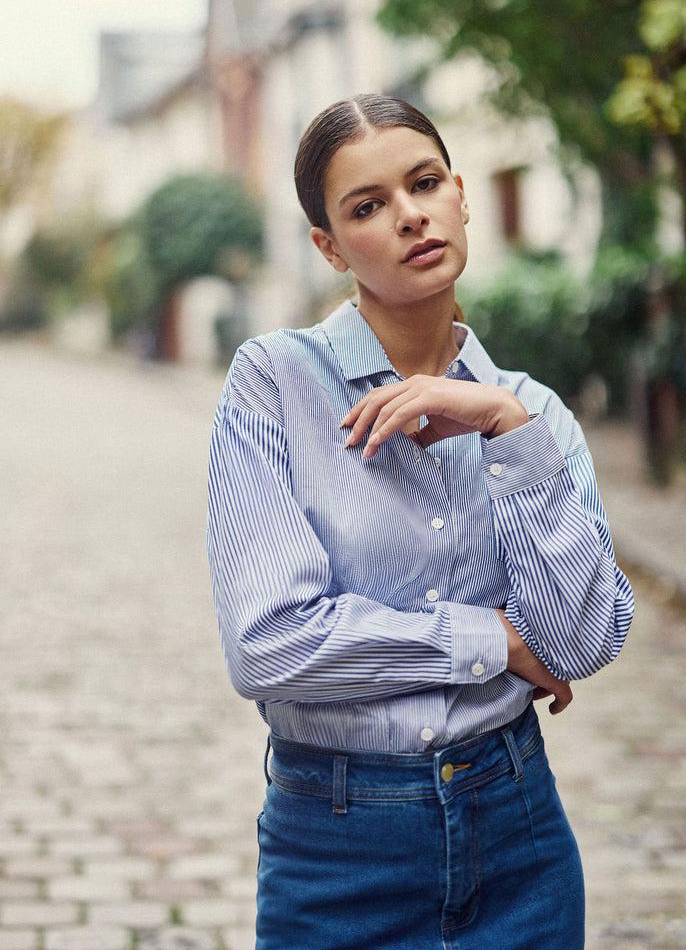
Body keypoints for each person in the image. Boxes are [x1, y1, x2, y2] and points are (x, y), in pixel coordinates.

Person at [206, 93, 635, 950]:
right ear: (329, 247)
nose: (409, 215)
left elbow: (581, 640)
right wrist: (494, 639)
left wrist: (505, 428)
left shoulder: (536, 414)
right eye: (368, 206)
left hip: (519, 837)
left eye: (425, 183)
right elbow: (269, 643)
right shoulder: (274, 383)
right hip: (336, 855)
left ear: (461, 195)